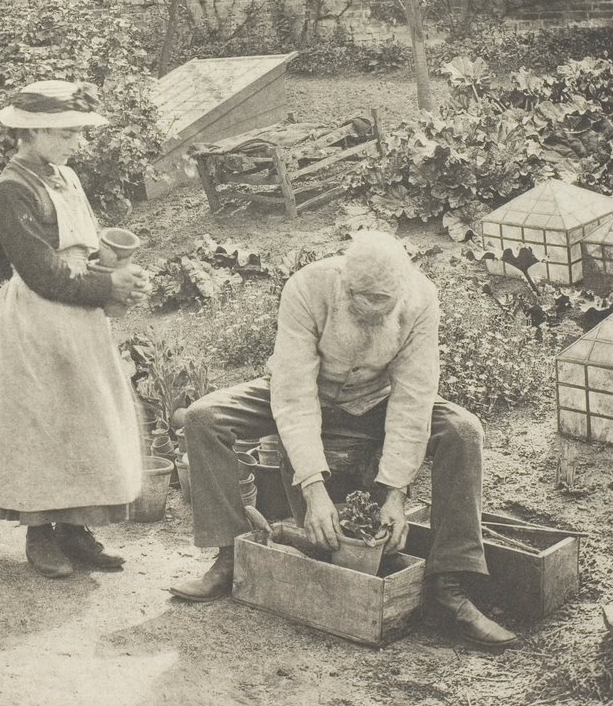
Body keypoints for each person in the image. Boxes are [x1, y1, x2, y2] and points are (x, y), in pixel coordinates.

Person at [168, 229, 517, 649]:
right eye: (361, 299)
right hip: (306, 389)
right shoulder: (308, 287)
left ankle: (448, 587)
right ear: (345, 283)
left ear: (401, 292)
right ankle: (230, 557)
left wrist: (395, 494)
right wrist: (313, 489)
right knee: (205, 418)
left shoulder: (421, 299)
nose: (372, 309)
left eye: (382, 302)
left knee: (463, 430)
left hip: (376, 400)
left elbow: (413, 397)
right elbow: (294, 395)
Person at [0, 79, 150, 579]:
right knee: (42, 426)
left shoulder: (65, 177)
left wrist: (115, 268)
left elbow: (81, 249)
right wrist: (106, 285)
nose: (76, 144)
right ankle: (39, 534)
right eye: (67, 133)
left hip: (77, 318)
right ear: (34, 131)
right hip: (36, 321)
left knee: (83, 422)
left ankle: (77, 530)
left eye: (77, 133)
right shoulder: (10, 192)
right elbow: (43, 272)